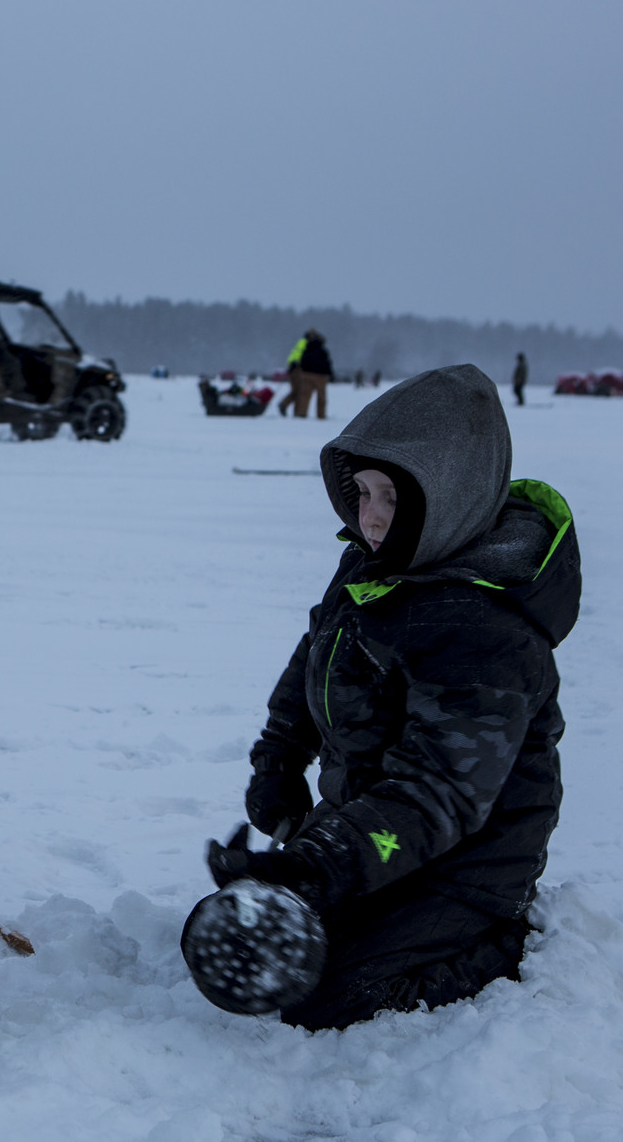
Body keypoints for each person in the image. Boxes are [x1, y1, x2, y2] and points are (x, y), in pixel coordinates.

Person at [203, 364, 580, 1030]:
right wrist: (279, 759)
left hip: (466, 864)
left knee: (325, 996)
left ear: (449, 495)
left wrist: (321, 862)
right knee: (261, 944)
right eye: (363, 492)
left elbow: (441, 793)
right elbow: (316, 652)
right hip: (375, 833)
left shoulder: (484, 631)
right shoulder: (376, 564)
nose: (370, 518)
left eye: (393, 499)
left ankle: (504, 945)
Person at [278, 329, 333, 419]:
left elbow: (299, 356)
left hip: (302, 370)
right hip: (300, 370)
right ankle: (312, 414)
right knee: (301, 393)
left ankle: (298, 412)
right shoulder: (308, 345)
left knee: (302, 393)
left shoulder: (306, 345)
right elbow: (327, 363)